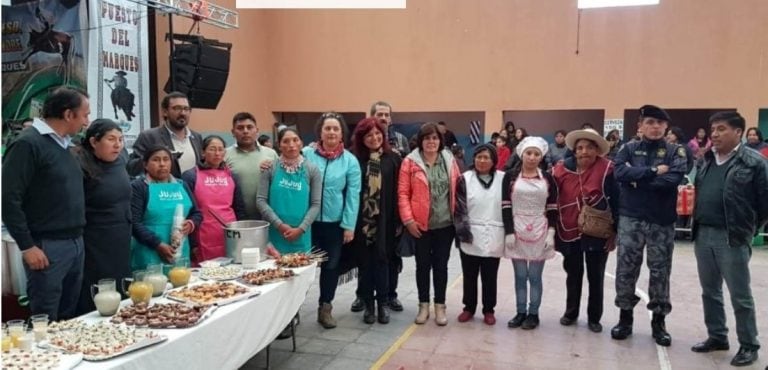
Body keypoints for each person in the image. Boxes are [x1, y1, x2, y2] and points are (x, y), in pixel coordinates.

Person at [1, 87, 90, 320]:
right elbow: (8, 198)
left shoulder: (66, 146)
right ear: (68, 114)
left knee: (68, 316)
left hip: (75, 243)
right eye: (84, 115)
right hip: (46, 247)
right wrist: (27, 245)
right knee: (45, 318)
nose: (86, 122)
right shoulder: (27, 144)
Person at [690, 112, 768, 367]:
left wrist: (749, 229)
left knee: (740, 294)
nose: (714, 134)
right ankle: (717, 336)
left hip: (732, 237)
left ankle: (749, 345)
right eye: (713, 129)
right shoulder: (706, 159)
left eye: (721, 129)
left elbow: (764, 202)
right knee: (710, 291)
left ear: (738, 132)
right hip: (703, 233)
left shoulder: (754, 162)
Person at [611, 105, 687, 346]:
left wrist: (638, 180)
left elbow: (673, 179)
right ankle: (625, 319)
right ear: (640, 126)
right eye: (650, 122)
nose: (655, 127)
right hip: (631, 218)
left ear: (666, 127)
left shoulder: (677, 151)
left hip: (661, 221)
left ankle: (659, 323)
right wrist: (653, 172)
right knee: (626, 269)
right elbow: (620, 173)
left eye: (659, 123)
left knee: (660, 271)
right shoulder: (628, 148)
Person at [552, 129, 618, 333]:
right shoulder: (560, 170)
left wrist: (615, 231)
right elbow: (551, 198)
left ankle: (594, 317)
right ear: (574, 151)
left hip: (598, 231)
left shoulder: (608, 169)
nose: (584, 151)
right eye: (580, 148)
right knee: (573, 274)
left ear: (597, 150)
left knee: (596, 275)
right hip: (568, 228)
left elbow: (617, 200)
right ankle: (571, 312)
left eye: (589, 147)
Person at [303, 112, 362, 329]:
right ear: (320, 131)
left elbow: (353, 194)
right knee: (302, 268)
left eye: (335, 129)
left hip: (334, 225)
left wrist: (348, 225)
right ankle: (292, 312)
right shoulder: (305, 154)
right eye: (327, 128)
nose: (331, 132)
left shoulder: (350, 161)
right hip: (306, 223)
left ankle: (325, 307)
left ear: (341, 134)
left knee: (331, 267)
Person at [398, 122, 461, 326]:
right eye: (427, 138)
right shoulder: (410, 162)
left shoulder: (449, 160)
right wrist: (408, 221)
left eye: (435, 138)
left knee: (441, 266)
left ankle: (440, 307)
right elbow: (403, 194)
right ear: (420, 141)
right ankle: (423, 305)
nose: (431, 142)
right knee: (422, 266)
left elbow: (459, 189)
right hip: (420, 226)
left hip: (445, 225)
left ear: (440, 141)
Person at [351, 101, 407, 314]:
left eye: (377, 134)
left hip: (386, 220)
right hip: (362, 221)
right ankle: (366, 301)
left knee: (386, 260)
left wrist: (400, 220)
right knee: (365, 262)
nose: (374, 138)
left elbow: (400, 190)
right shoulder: (355, 159)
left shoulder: (393, 158)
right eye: (369, 135)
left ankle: (385, 299)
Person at [73, 119, 132, 315]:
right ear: (93, 142)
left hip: (121, 236)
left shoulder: (121, 159)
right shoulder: (79, 163)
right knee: (99, 288)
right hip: (95, 240)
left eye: (121, 139)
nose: (118, 145)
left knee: (121, 286)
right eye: (111, 139)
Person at [502, 137, 557, 330]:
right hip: (516, 229)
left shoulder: (548, 178)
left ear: (541, 156)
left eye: (536, 154)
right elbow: (505, 205)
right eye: (529, 153)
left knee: (534, 276)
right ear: (522, 154)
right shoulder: (509, 177)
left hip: (540, 230)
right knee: (519, 276)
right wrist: (508, 232)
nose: (532, 157)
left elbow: (552, 207)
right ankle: (520, 312)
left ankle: (533, 313)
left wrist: (551, 232)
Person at [454, 144, 504, 326]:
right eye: (479, 157)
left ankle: (489, 309)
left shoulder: (503, 179)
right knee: (469, 275)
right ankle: (469, 307)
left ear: (494, 161)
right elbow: (459, 209)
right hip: (470, 234)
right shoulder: (464, 179)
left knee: (490, 276)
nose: (482, 161)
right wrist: (463, 234)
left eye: (486, 158)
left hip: (494, 234)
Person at [130, 146, 202, 271]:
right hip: (149, 251)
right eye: (156, 160)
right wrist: (158, 244)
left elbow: (197, 213)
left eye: (166, 159)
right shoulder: (139, 187)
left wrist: (191, 223)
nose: (162, 164)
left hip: (180, 250)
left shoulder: (181, 185)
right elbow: (134, 223)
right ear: (145, 165)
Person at [256, 128, 322, 255]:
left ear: (301, 143)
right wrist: (279, 225)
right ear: (279, 145)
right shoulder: (269, 168)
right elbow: (260, 200)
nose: (291, 145)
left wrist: (301, 228)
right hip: (275, 234)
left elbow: (315, 204)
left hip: (301, 234)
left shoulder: (312, 170)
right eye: (286, 141)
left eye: (295, 140)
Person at [182, 135, 246, 264]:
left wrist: (242, 234)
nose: (217, 153)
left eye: (220, 149)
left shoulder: (232, 175)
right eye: (212, 149)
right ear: (203, 152)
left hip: (230, 233)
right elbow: (187, 212)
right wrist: (192, 243)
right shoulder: (190, 176)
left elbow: (239, 208)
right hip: (202, 234)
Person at [127, 92, 203, 178]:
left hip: (192, 190)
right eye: (177, 108)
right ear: (165, 112)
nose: (183, 113)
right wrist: (154, 156)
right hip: (164, 190)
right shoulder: (149, 136)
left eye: (186, 109)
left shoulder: (197, 137)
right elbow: (132, 168)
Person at [225, 112, 279, 221]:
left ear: (257, 131)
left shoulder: (271, 154)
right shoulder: (225, 155)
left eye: (249, 127)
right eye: (240, 128)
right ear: (233, 132)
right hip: (237, 217)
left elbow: (279, 181)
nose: (245, 131)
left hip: (268, 216)